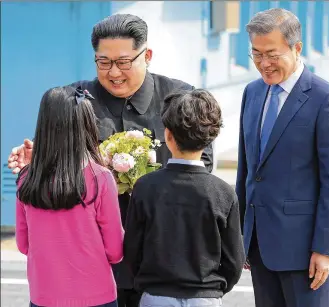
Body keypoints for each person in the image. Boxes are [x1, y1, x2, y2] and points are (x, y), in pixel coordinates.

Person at [7, 13, 214, 307]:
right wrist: (38, 155)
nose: (114, 73)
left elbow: (201, 167)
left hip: (163, 255)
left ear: (147, 55)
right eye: (103, 62)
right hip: (96, 265)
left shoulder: (180, 98)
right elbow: (59, 150)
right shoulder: (75, 99)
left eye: (124, 62)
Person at [235, 8, 329, 307]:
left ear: (296, 48)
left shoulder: (327, 100)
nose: (264, 63)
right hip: (261, 247)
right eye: (256, 54)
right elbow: (247, 170)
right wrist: (241, 237)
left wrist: (325, 249)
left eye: (272, 54)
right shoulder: (252, 93)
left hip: (309, 254)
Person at [124, 89, 245, 307]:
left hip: (156, 296)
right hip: (206, 298)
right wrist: (213, 289)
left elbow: (133, 250)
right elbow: (234, 261)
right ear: (211, 138)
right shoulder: (223, 192)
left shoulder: (145, 187)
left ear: (168, 136)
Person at [16, 86, 125, 307]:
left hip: (43, 297)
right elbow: (115, 251)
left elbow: (23, 244)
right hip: (97, 297)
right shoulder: (101, 178)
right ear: (85, 126)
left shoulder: (26, 178)